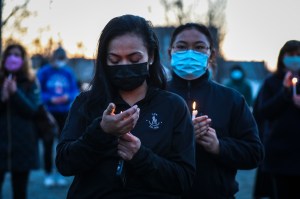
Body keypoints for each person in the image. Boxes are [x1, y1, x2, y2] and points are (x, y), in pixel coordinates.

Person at [55, 14, 196, 199]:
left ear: (151, 56)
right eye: (114, 60)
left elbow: (184, 180)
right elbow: (65, 164)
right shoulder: (86, 102)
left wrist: (141, 156)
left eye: (134, 58)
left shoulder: (173, 106)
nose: (124, 65)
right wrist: (100, 132)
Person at [166, 23, 264, 199]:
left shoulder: (231, 99)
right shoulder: (155, 96)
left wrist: (219, 146)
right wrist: (182, 138)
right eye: (181, 47)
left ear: (211, 54)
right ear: (170, 52)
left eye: (199, 47)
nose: (190, 53)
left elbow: (254, 153)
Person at [256, 40, 300, 199]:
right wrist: (284, 93)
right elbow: (263, 112)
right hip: (278, 154)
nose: (295, 59)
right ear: (282, 57)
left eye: (298, 55)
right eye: (290, 55)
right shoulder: (271, 82)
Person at [0, 44, 40, 199]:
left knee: (20, 191)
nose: (13, 58)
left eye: (17, 55)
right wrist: (3, 98)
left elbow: (32, 110)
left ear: (23, 60)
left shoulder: (31, 82)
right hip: (1, 144)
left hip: (22, 144)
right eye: (10, 54)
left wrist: (15, 93)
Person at [37, 46, 79, 187]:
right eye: (57, 59)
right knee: (48, 143)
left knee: (62, 144)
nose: (59, 62)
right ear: (52, 58)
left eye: (62, 59)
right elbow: (37, 91)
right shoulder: (44, 72)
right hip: (47, 114)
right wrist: (50, 99)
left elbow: (74, 90)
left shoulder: (68, 72)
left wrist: (68, 96)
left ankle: (60, 173)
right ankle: (48, 174)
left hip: (64, 113)